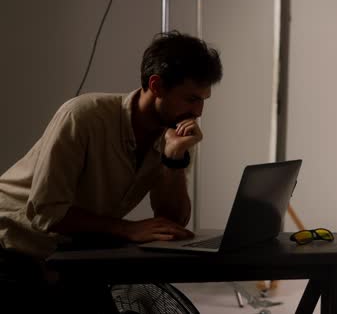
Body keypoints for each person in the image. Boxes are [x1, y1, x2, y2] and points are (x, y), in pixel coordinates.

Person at [0, 31, 223, 312]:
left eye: (203, 100)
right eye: (191, 99)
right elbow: (46, 211)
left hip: (68, 251)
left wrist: (174, 158)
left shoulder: (171, 134)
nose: (198, 111)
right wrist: (127, 229)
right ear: (157, 86)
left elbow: (172, 221)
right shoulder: (83, 116)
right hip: (11, 245)